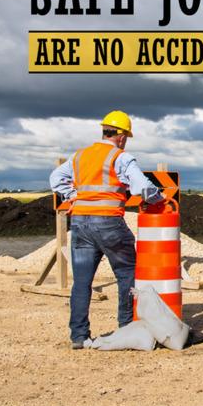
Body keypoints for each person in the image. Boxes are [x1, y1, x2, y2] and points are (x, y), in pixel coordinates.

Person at [49, 111, 163, 349]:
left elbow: (56, 178)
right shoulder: (120, 157)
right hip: (109, 223)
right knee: (127, 274)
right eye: (126, 137)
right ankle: (126, 328)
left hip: (79, 223)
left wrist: (72, 197)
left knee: (81, 282)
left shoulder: (80, 156)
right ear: (121, 136)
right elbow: (143, 188)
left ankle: (79, 337)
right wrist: (157, 198)